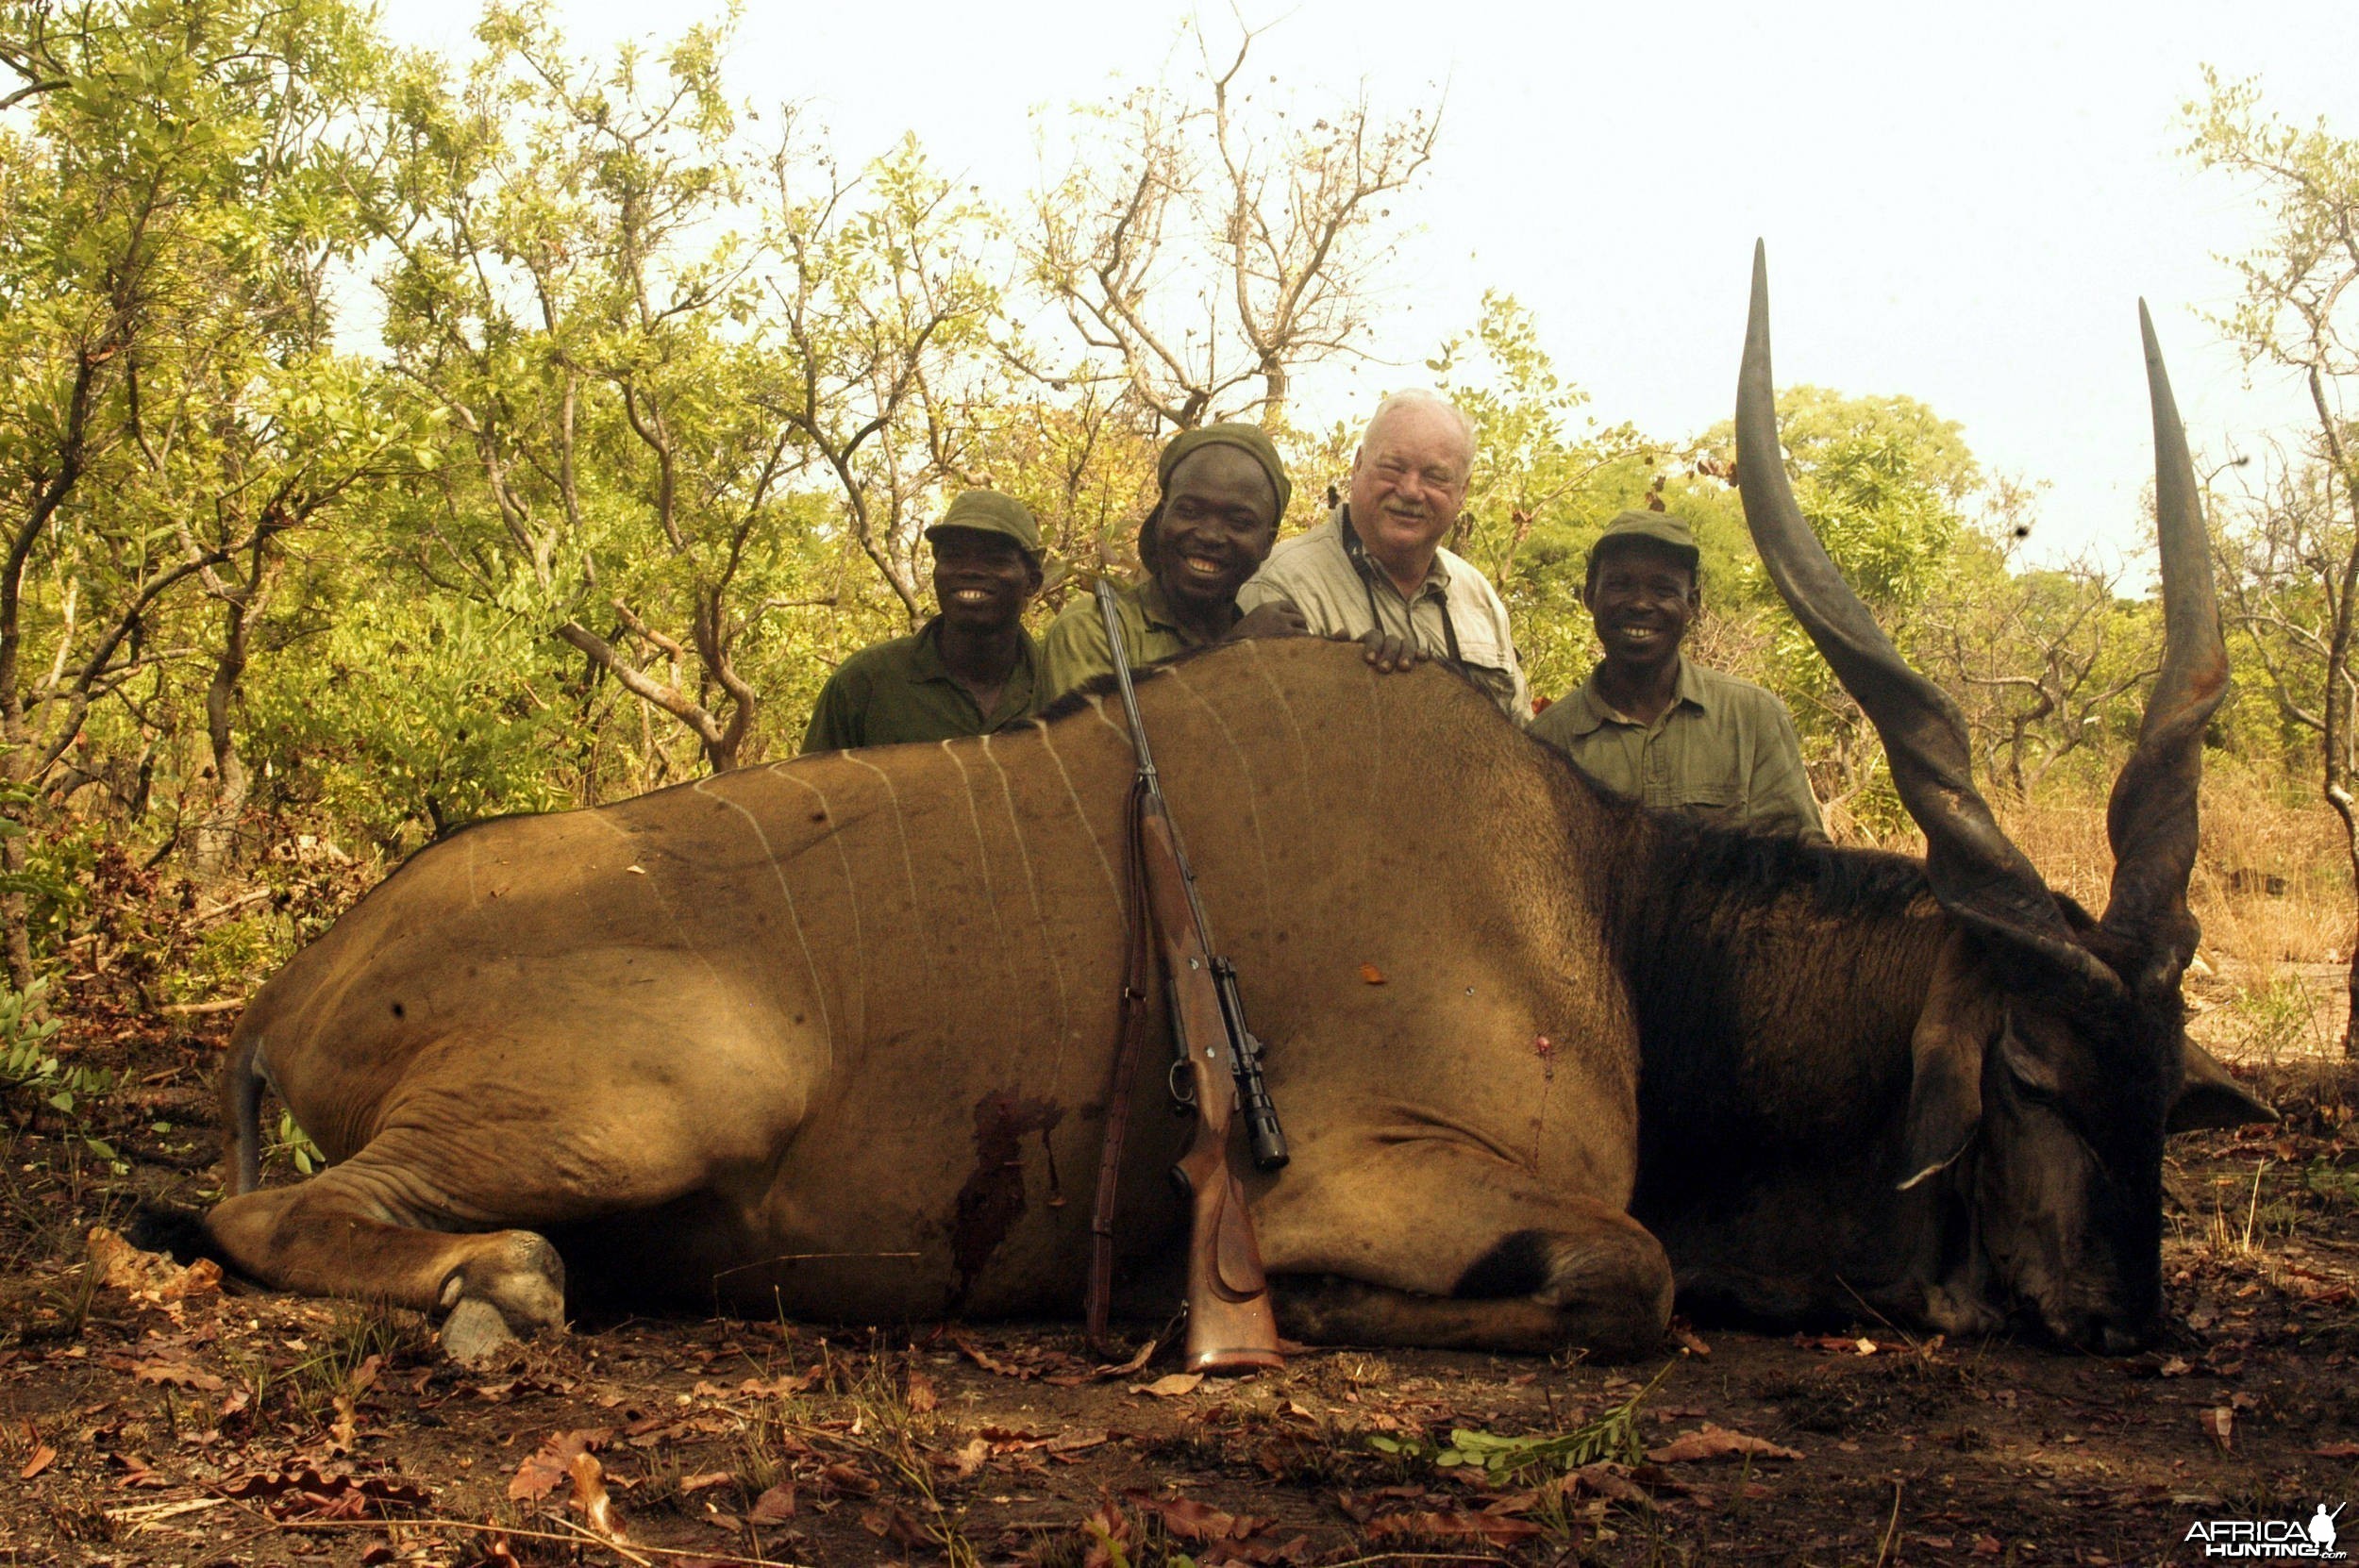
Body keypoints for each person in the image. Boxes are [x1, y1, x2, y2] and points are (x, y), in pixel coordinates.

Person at [1233, 390, 1529, 722]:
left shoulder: (1478, 595)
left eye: (1435, 477)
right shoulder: (1282, 584)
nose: (1410, 491)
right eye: (1392, 468)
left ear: (1463, 492)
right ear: (1357, 466)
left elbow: (1519, 733)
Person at [1531, 509, 1825, 839]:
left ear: (1692, 604)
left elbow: (1804, 862)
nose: (1640, 604)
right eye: (1620, 585)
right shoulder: (1547, 740)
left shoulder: (1752, 717)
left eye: (1663, 589)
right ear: (1589, 596)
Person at [1039, 423, 1306, 699]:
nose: (1209, 535)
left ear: (1267, 543)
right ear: (1162, 518)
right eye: (1189, 511)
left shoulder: (1274, 640)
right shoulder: (1093, 630)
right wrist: (1234, 654)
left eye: (1238, 522)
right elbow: (1098, 738)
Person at [799, 491, 1046, 753]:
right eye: (953, 556)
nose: (970, 570)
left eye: (995, 559)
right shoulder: (864, 683)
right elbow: (813, 788)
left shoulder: (1061, 683)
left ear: (1032, 582)